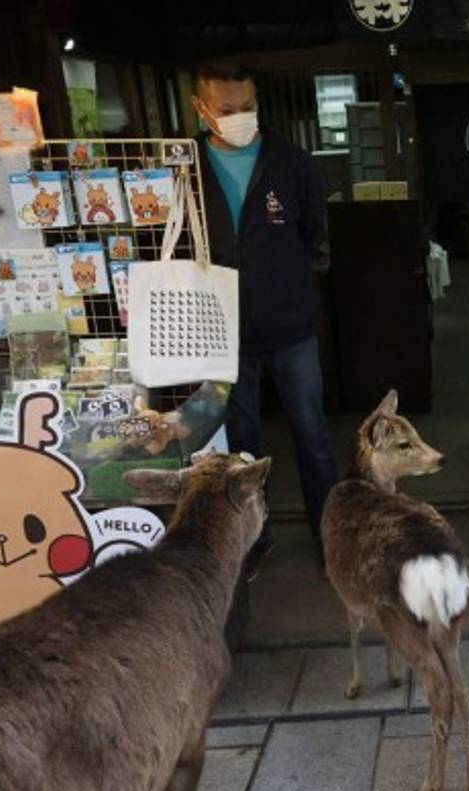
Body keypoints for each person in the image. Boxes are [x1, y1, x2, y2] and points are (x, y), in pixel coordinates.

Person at [192, 62, 338, 580]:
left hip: (291, 325)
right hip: (218, 330)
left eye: (248, 108)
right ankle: (255, 539)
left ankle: (330, 536)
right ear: (201, 109)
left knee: (313, 436)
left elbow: (316, 239)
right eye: (227, 111)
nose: (239, 118)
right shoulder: (185, 166)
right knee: (239, 446)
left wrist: (285, 282)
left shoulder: (292, 163)